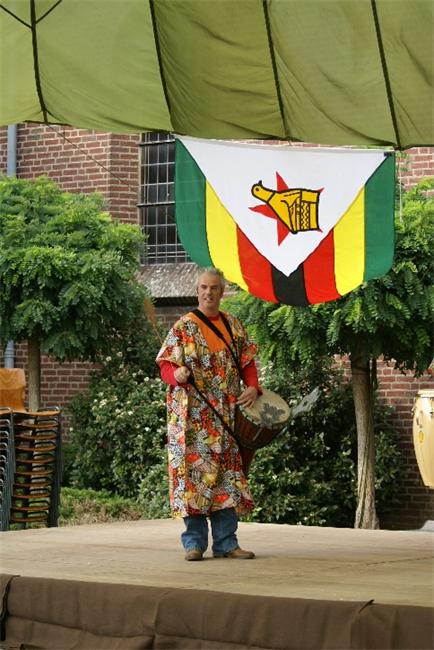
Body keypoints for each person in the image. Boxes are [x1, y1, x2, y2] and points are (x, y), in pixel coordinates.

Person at [156, 267, 261, 561]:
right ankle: (194, 544)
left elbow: (248, 362)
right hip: (192, 420)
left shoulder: (233, 325)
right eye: (203, 287)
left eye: (214, 287)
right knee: (194, 480)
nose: (208, 292)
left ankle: (227, 543)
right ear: (197, 290)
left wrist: (253, 387)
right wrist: (176, 374)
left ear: (222, 291)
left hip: (225, 416)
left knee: (227, 478)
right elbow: (165, 365)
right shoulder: (183, 327)